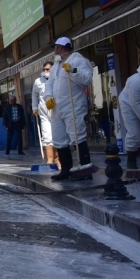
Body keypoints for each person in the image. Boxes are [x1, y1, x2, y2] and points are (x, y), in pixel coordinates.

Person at [44, 37, 94, 181]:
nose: (55, 50)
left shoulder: (79, 60)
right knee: (59, 138)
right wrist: (48, 97)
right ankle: (66, 169)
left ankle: (85, 169)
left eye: (56, 47)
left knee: (77, 136)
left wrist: (73, 70)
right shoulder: (56, 65)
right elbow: (50, 84)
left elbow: (87, 79)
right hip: (57, 108)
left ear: (61, 48)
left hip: (73, 105)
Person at [119, 62, 140, 176]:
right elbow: (135, 103)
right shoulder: (136, 81)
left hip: (137, 104)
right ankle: (131, 164)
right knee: (135, 133)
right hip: (128, 104)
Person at [32, 62, 59, 166]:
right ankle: (50, 160)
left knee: (58, 136)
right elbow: (34, 95)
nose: (45, 71)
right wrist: (34, 108)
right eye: (44, 69)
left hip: (57, 111)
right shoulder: (38, 81)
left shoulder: (57, 78)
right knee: (47, 136)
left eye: (48, 69)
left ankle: (58, 159)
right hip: (44, 113)